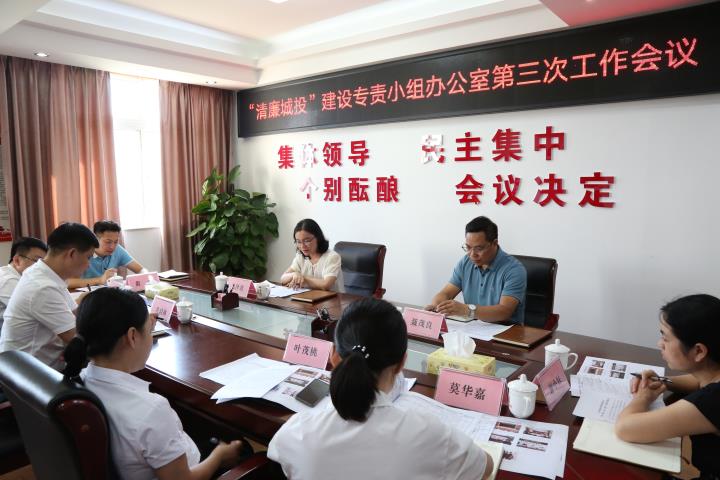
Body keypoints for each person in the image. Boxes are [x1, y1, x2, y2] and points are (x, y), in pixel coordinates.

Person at [268, 297, 493, 480]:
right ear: (402, 363)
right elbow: (485, 467)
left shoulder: (297, 432)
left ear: (334, 356)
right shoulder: (430, 434)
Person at [63, 288, 245, 480]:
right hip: (192, 470)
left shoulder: (79, 379)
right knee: (243, 448)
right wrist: (219, 456)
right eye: (149, 329)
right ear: (133, 336)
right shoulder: (150, 410)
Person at [615, 294, 720, 478]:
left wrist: (642, 397)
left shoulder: (712, 400)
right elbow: (700, 381)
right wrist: (662, 381)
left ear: (698, 351)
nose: (659, 344)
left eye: (666, 338)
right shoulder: (713, 374)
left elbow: (625, 428)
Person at [0, 223, 97, 369]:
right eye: (88, 257)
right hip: (28, 374)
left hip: (39, 365)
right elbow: (77, 338)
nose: (89, 265)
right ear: (72, 254)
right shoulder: (42, 286)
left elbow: (75, 314)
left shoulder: (47, 274)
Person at [426, 216, 527, 324]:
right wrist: (436, 306)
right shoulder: (465, 262)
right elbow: (446, 293)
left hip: (506, 330)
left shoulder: (514, 270)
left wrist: (467, 310)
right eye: (468, 247)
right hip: (473, 326)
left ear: (494, 243)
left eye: (479, 248)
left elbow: (504, 311)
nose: (472, 254)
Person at [67, 220, 145, 289]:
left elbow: (141, 270)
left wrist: (147, 277)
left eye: (115, 242)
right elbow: (67, 281)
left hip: (108, 294)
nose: (112, 247)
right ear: (95, 239)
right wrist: (100, 280)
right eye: (108, 242)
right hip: (85, 295)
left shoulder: (118, 249)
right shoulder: (83, 251)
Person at [280, 219, 344, 292]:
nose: (302, 246)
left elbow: (326, 285)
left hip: (333, 298)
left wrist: (302, 277)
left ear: (318, 238)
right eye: (298, 242)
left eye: (307, 241)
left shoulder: (332, 257)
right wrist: (295, 274)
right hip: (309, 297)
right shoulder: (300, 256)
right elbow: (283, 279)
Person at [0, 237, 48, 330]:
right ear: (17, 260)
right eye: (37, 261)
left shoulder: (23, 275)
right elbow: (40, 309)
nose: (42, 267)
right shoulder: (8, 280)